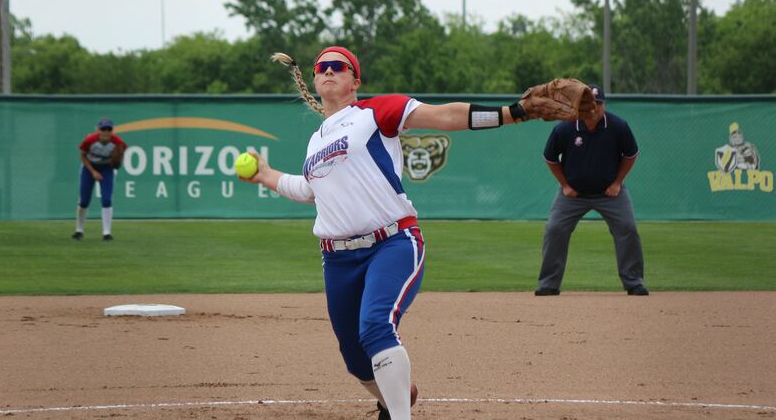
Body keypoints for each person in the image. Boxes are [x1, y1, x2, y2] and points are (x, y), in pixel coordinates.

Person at [240, 46, 593, 420]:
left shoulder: (375, 112)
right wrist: (265, 175)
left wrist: (512, 113)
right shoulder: (316, 142)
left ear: (354, 81)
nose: (328, 70)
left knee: (376, 326)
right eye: (322, 67)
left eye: (338, 66)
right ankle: (395, 397)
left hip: (391, 243)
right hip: (337, 259)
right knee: (355, 359)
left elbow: (445, 115)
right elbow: (309, 190)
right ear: (313, 79)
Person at [535, 85, 648, 296]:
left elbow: (630, 154)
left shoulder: (618, 126)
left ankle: (634, 282)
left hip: (610, 193)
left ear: (604, 105)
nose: (594, 108)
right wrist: (565, 185)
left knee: (628, 228)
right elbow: (550, 158)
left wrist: (617, 182)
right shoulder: (566, 128)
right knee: (555, 229)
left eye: (599, 103)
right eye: (589, 104)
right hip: (573, 194)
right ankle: (548, 284)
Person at [72, 118, 127, 241]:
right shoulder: (90, 140)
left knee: (107, 199)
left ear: (112, 130)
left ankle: (107, 233)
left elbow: (122, 152)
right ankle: (79, 231)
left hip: (106, 169)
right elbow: (82, 156)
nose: (106, 131)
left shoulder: (117, 141)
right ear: (98, 130)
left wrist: (118, 161)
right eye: (103, 129)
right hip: (89, 167)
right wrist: (93, 172)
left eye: (109, 129)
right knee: (84, 201)